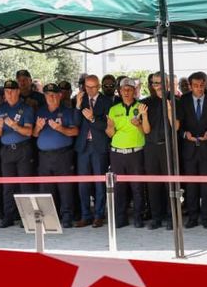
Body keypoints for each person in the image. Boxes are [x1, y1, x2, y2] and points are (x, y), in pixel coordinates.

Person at [177, 71, 207, 228]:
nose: (199, 88)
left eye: (202, 85)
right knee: (191, 186)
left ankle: (206, 217)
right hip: (189, 150)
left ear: (206, 84)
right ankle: (193, 217)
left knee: (206, 186)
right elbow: (178, 126)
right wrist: (184, 134)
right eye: (196, 85)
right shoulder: (183, 100)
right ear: (190, 86)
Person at [34, 83, 79, 226]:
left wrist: (60, 129)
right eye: (48, 95)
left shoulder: (67, 111)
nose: (51, 97)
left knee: (65, 188)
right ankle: (49, 219)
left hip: (63, 155)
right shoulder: (40, 111)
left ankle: (67, 217)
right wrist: (38, 127)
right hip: (44, 156)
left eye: (54, 94)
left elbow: (75, 131)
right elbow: (34, 134)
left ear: (60, 95)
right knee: (46, 188)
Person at [105, 77, 147, 228]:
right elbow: (110, 134)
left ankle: (138, 218)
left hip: (136, 153)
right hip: (117, 153)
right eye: (124, 89)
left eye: (130, 89)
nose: (127, 92)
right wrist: (110, 127)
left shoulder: (141, 107)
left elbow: (146, 131)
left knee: (137, 187)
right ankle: (120, 218)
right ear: (120, 91)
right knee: (119, 187)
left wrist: (139, 124)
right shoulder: (114, 109)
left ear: (134, 91)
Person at [0, 80, 35, 228]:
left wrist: (15, 126)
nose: (9, 94)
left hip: (23, 149)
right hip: (6, 150)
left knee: (25, 185)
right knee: (8, 186)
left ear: (18, 91)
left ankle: (27, 218)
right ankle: (8, 217)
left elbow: (29, 132)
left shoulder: (26, 108)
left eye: (12, 91)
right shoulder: (0, 109)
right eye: (6, 91)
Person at [75, 75, 112, 228]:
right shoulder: (80, 99)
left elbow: (107, 126)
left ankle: (99, 215)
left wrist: (93, 119)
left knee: (99, 183)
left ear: (99, 86)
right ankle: (85, 215)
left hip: (99, 146)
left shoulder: (107, 101)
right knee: (83, 184)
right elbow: (75, 123)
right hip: (83, 147)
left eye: (93, 87)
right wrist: (77, 106)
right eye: (87, 87)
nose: (90, 90)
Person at [140, 73, 174, 230]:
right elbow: (146, 130)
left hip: (168, 147)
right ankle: (156, 218)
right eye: (155, 83)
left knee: (170, 184)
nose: (158, 86)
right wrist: (144, 116)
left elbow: (176, 127)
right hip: (151, 147)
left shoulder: (175, 100)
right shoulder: (145, 103)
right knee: (153, 184)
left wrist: (170, 110)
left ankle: (171, 217)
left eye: (160, 82)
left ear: (167, 83)